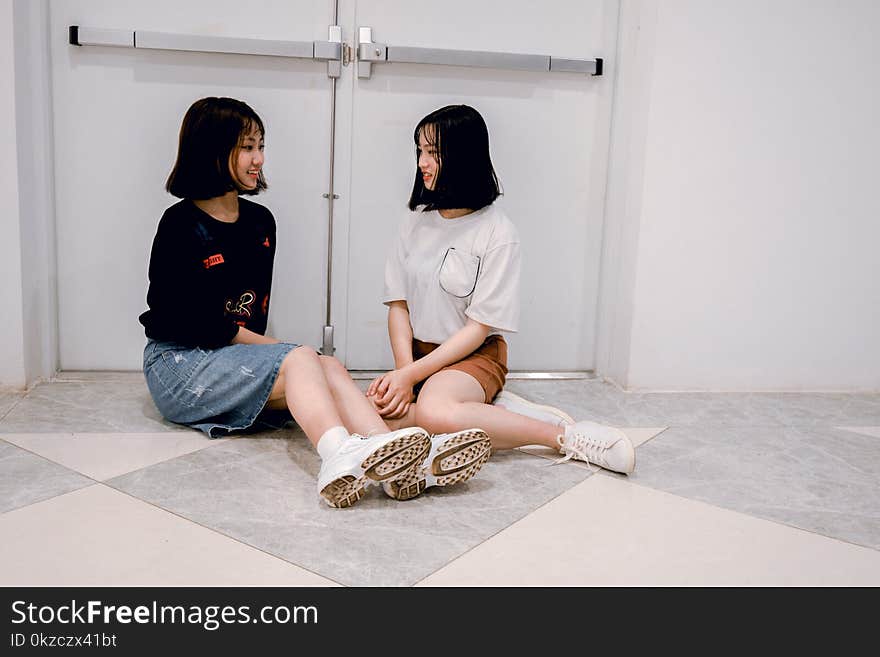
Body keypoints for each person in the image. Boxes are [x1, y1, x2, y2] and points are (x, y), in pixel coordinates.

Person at [138, 96, 486, 509]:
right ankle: (338, 454)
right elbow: (198, 324)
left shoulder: (259, 222)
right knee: (304, 358)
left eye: (261, 146)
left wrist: (295, 357)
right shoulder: (180, 225)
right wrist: (291, 354)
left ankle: (394, 458)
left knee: (327, 365)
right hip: (178, 366)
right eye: (247, 147)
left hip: (228, 359)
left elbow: (248, 319)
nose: (259, 159)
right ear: (213, 150)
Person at [354, 104, 635, 500]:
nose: (422, 163)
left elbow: (478, 328)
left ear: (463, 155)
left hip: (473, 356)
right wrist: (406, 374)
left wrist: (412, 380)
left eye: (433, 152)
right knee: (378, 415)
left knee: (432, 413)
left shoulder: (497, 231)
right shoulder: (414, 222)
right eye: (419, 151)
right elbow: (398, 305)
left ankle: (562, 436)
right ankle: (489, 418)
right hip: (419, 358)